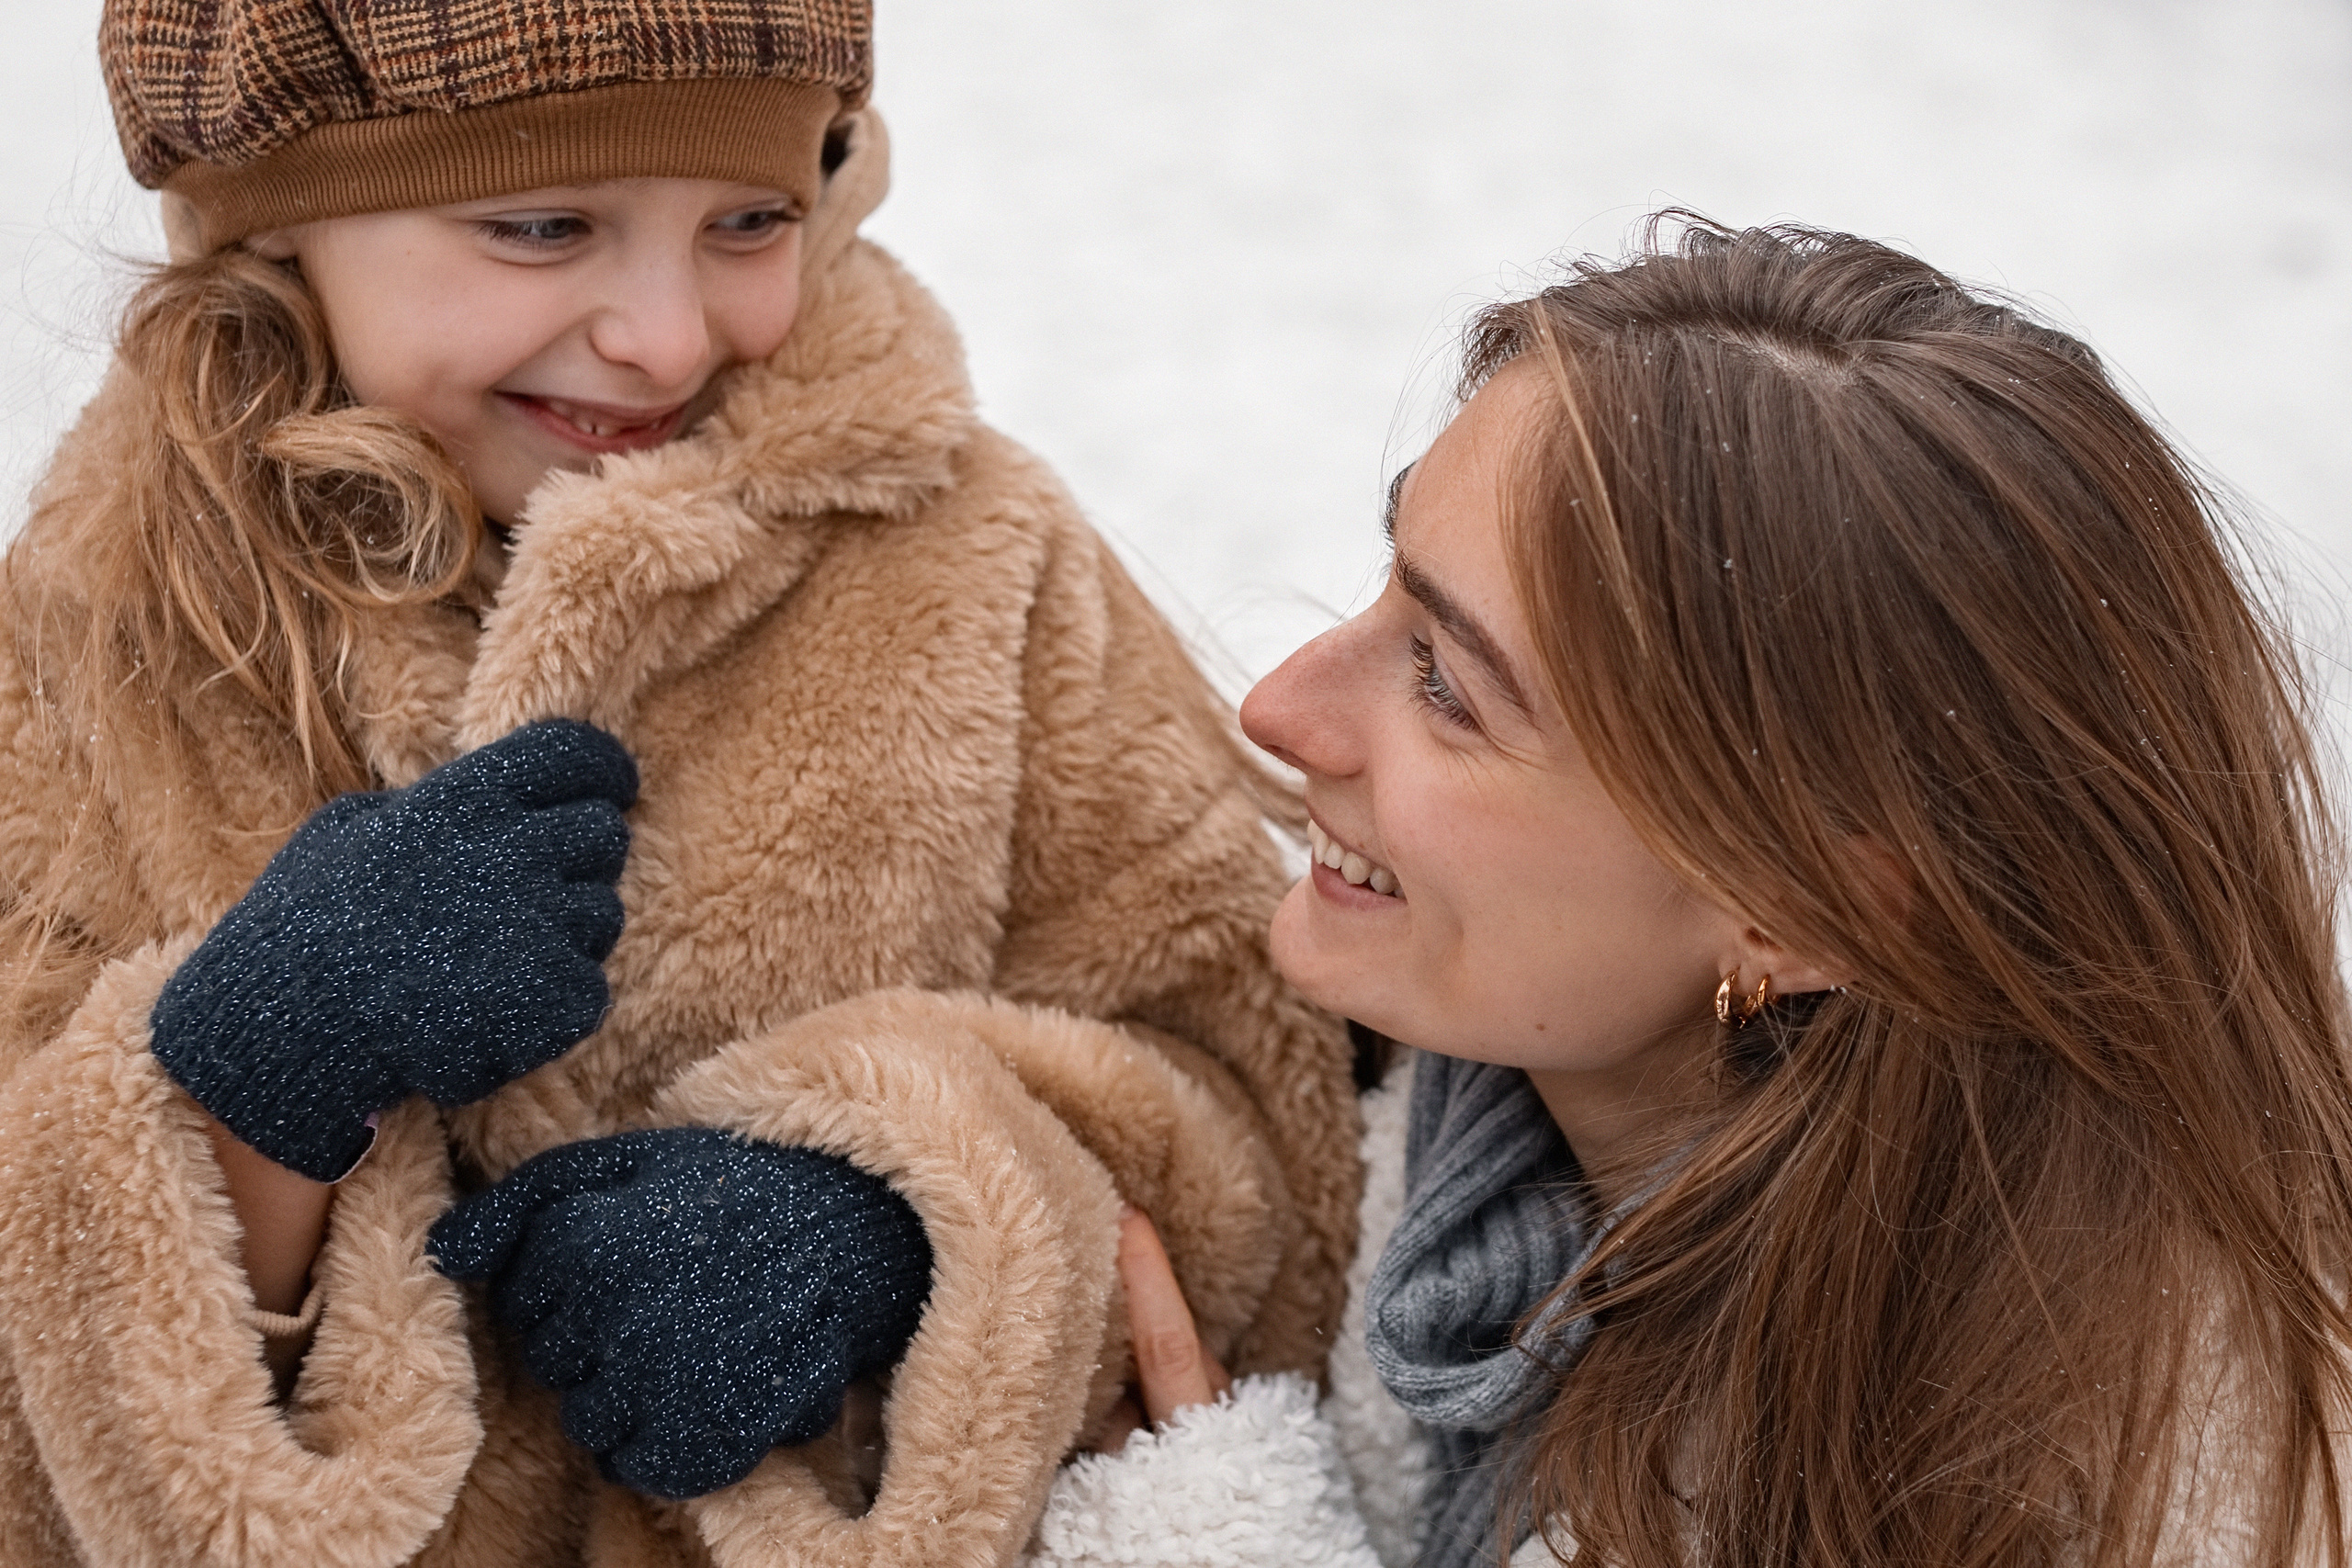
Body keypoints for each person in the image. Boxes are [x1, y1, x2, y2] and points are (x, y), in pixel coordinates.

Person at [0, 3, 1362, 1564]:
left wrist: (913, 1227)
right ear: (285, 218)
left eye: (749, 222)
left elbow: (1271, 1121)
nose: (666, 333)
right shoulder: (87, 645)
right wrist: (246, 1092)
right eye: (542, 225)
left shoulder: (973, 557)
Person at [1023, 217, 2352, 1568]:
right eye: (1389, 586)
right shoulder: (1357, 1098)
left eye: (1446, 684)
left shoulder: (2123, 1506)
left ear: (1802, 913)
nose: (1279, 707)